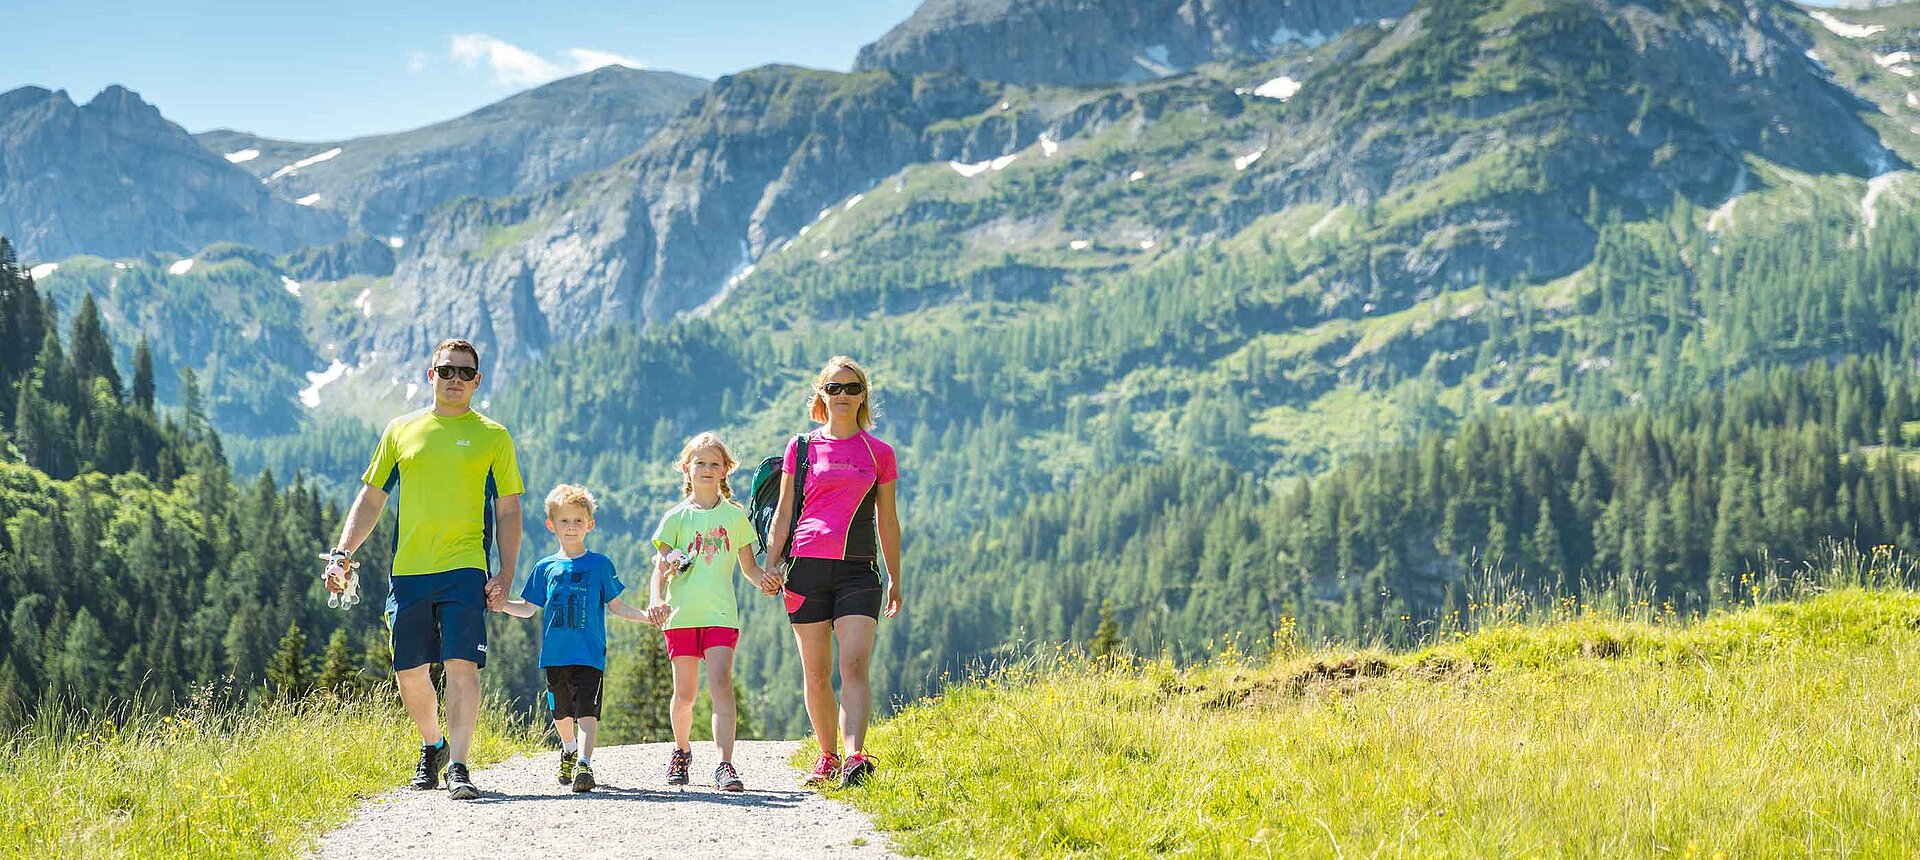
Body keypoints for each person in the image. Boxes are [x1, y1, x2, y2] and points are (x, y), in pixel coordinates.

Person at [322, 337, 523, 801]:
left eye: (464, 373)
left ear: (477, 381)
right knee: (409, 670)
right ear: (430, 375)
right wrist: (342, 553)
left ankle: (459, 766)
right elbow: (372, 498)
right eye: (446, 370)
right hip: (409, 570)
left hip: (466, 568)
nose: (455, 379)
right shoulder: (400, 430)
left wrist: (505, 574)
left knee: (461, 664)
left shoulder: (495, 436)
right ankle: (433, 744)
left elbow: (509, 511)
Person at [764, 356, 902, 789]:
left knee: (855, 662)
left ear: (864, 395)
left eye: (852, 387)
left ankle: (855, 756)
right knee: (816, 671)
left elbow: (888, 520)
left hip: (859, 571)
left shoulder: (879, 452)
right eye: (834, 388)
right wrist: (771, 561)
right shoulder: (801, 447)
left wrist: (895, 575)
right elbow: (785, 510)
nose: (843, 395)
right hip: (804, 568)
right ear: (821, 395)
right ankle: (827, 756)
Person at [497, 483, 666, 793]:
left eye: (578, 521)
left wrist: (647, 616)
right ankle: (569, 748)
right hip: (554, 655)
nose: (571, 527)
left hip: (590, 654)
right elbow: (529, 608)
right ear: (551, 525)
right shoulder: (544, 567)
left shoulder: (600, 565)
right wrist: (503, 604)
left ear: (590, 524)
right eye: (564, 521)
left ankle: (584, 764)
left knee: (587, 711)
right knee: (560, 712)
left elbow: (617, 606)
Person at [648, 432, 781, 791]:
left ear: (726, 471)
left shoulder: (736, 518)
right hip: (682, 616)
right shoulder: (675, 518)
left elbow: (749, 568)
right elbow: (659, 565)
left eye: (715, 463)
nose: (707, 469)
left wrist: (765, 581)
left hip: (721, 615)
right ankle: (681, 750)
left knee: (722, 683)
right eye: (700, 462)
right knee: (686, 694)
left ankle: (725, 764)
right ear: (686, 469)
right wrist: (656, 598)